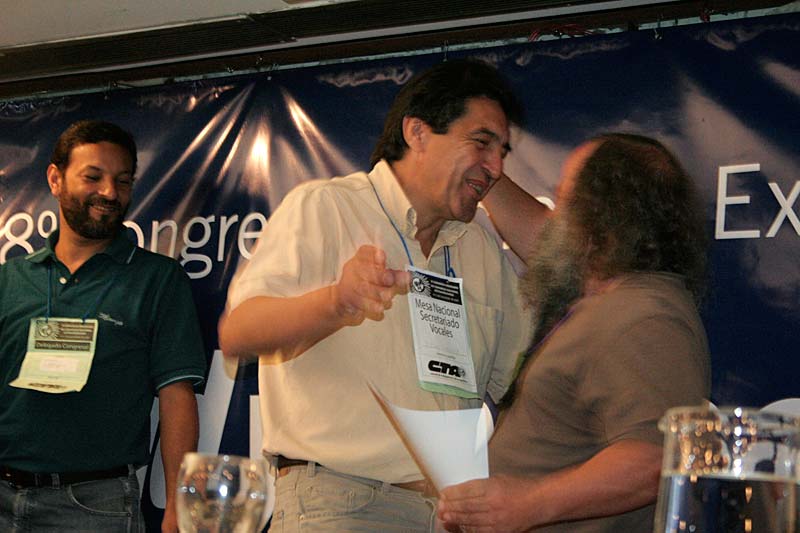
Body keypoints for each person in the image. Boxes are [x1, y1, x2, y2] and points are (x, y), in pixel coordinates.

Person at [219, 59, 534, 531]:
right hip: (342, 505)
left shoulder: (480, 248)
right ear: (417, 132)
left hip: (453, 515)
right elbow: (239, 332)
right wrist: (338, 302)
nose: (495, 169)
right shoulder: (327, 207)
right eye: (481, 143)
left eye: (502, 152)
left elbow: (521, 379)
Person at [437, 133, 711, 532]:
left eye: (565, 199)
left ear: (600, 215)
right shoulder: (609, 302)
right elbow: (542, 239)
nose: (555, 215)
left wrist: (527, 503)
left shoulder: (646, 317)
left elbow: (654, 460)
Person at [0, 120, 207, 533]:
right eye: (93, 177)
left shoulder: (158, 279)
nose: (110, 193)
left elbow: (176, 396)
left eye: (123, 181)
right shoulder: (9, 279)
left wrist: (178, 505)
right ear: (55, 179)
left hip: (95, 506)